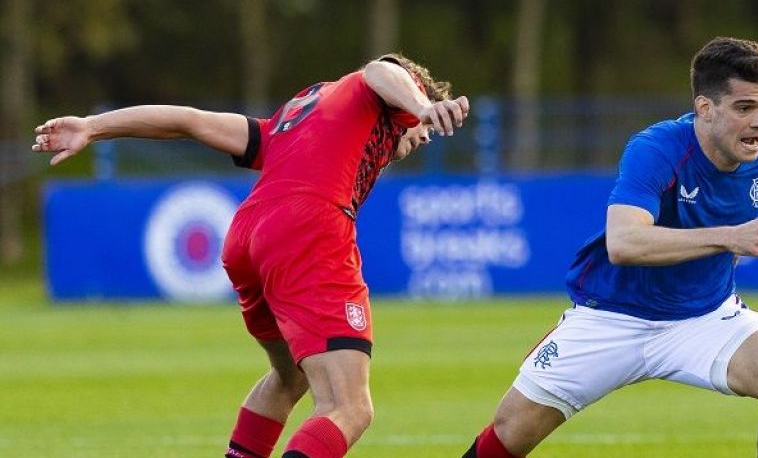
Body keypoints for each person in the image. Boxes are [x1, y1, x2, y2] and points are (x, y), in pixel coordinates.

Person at [33, 54, 469, 458]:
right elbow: (381, 69)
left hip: (248, 237)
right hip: (309, 229)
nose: (427, 135)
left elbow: (189, 122)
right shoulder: (388, 94)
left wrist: (94, 126)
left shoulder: (295, 122)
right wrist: (421, 102)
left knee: (289, 377)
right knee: (349, 407)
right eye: (426, 125)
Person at [461, 36, 758, 458]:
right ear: (705, 108)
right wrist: (729, 236)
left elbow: (716, 226)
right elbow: (624, 242)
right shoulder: (657, 148)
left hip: (704, 316)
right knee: (509, 435)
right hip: (611, 317)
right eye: (744, 108)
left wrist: (730, 243)